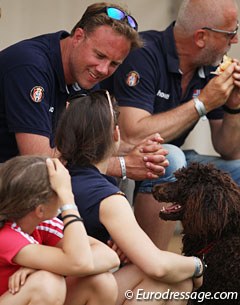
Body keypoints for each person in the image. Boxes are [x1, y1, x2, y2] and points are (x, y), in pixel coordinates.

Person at [101, 0, 240, 249]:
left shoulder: (211, 68)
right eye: (231, 33)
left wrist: (233, 106)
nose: (235, 41)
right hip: (125, 159)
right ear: (201, 37)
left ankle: (219, 269)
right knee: (171, 157)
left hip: (175, 163)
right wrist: (202, 104)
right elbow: (132, 135)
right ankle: (149, 268)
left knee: (236, 170)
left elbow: (228, 149)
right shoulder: (143, 53)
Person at [55, 90, 205, 305]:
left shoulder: (55, 176)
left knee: (172, 278)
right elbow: (156, 265)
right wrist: (197, 266)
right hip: (78, 293)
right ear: (116, 135)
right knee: (173, 279)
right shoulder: (107, 197)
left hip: (52, 289)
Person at [0, 2, 168, 182]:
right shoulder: (30, 66)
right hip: (14, 177)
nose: (103, 70)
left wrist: (141, 153)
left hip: (27, 180)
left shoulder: (85, 75)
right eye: (100, 55)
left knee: (164, 159)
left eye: (114, 64)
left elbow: (90, 147)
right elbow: (41, 164)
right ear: (78, 37)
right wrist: (122, 166)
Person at [0, 155, 120, 305]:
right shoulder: (6, 236)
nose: (67, 194)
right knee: (47, 284)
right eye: (59, 192)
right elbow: (79, 263)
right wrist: (68, 201)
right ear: (40, 210)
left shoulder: (40, 223)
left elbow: (109, 256)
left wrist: (44, 266)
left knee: (101, 283)